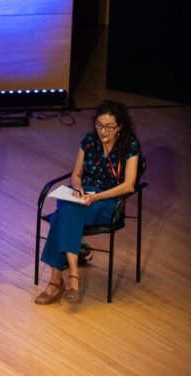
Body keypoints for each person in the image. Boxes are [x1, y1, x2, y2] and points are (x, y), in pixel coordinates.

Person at [35, 100, 141, 305]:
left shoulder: (130, 145)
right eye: (99, 125)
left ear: (119, 126)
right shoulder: (89, 141)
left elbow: (129, 186)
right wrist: (78, 188)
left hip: (109, 200)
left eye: (109, 127)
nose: (103, 131)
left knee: (61, 215)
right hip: (85, 195)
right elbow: (76, 175)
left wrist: (96, 197)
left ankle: (58, 280)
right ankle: (72, 274)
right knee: (67, 208)